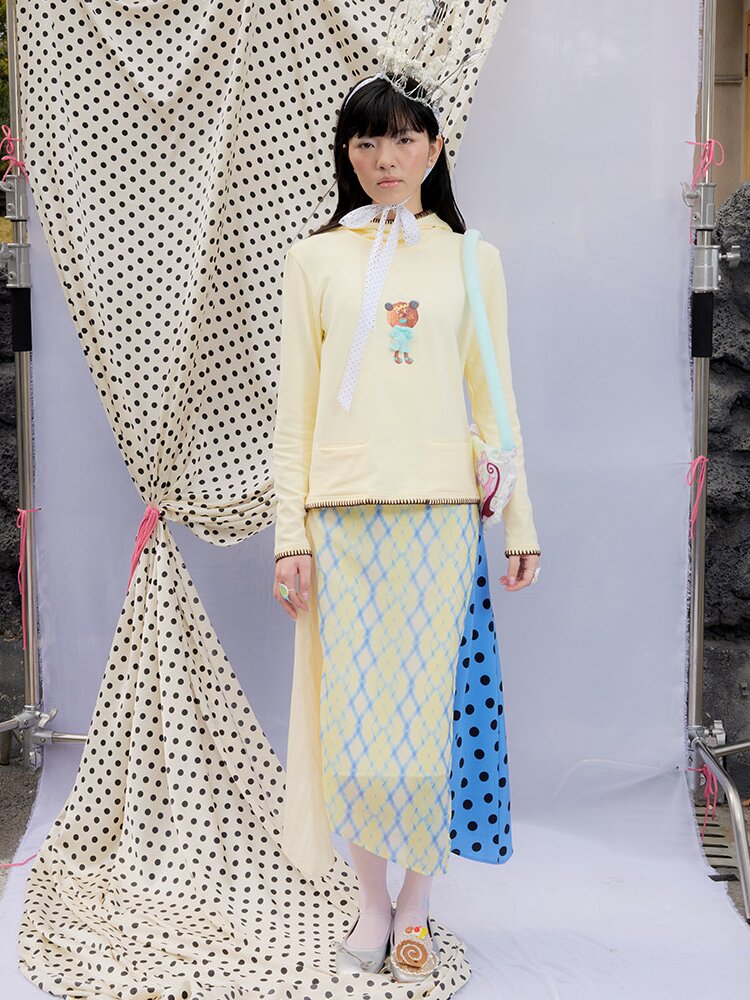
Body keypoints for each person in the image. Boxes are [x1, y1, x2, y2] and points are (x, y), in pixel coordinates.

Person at [271, 73, 541, 982]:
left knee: (430, 725)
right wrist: (290, 536)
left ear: (434, 146)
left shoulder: (472, 260)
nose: (385, 159)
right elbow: (294, 415)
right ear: (346, 155)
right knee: (351, 727)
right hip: (341, 522)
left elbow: (494, 401)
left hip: (441, 519)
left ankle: (418, 905)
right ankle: (372, 904)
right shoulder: (315, 260)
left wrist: (519, 524)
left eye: (403, 138)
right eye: (366, 142)